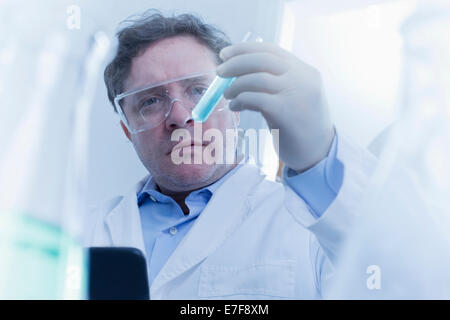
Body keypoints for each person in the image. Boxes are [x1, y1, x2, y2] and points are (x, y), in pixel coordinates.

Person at [85, 10, 377, 299]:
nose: (180, 116)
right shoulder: (86, 232)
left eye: (199, 90)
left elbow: (395, 277)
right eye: (150, 100)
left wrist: (321, 161)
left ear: (235, 110)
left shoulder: (310, 227)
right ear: (127, 130)